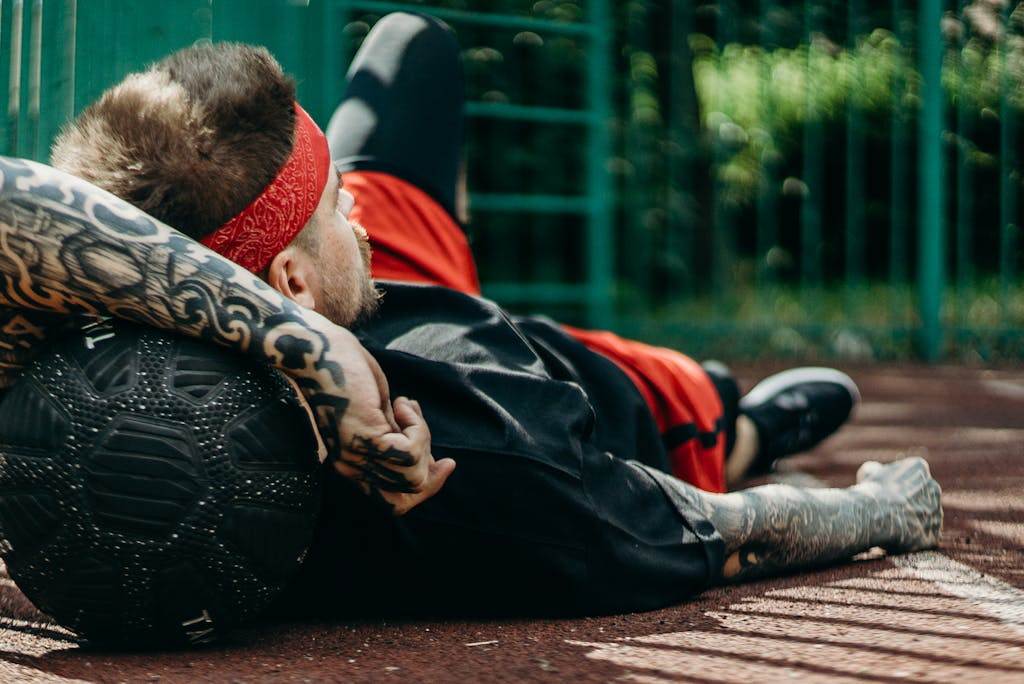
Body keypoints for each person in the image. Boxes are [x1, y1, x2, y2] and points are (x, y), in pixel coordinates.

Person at [0, 13, 941, 618]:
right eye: (341, 204)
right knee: (702, 402)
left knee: (411, 44)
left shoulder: (52, 331)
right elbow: (730, 532)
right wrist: (880, 508)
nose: (356, 208)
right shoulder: (483, 451)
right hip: (584, 387)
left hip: (328, 299)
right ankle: (734, 426)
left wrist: (305, 339)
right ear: (289, 273)